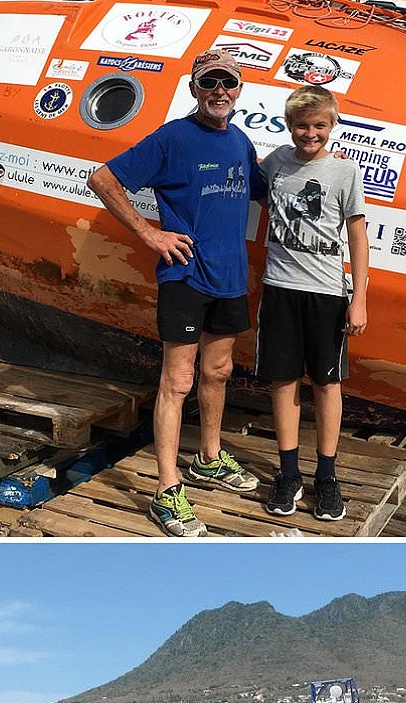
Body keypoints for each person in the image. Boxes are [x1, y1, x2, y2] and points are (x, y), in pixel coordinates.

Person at [88, 49, 266, 538]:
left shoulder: (240, 142)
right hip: (184, 276)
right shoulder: (172, 137)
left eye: (228, 83)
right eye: (210, 83)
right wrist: (149, 233)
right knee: (178, 381)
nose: (219, 92)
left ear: (239, 90)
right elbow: (102, 178)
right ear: (194, 88)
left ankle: (208, 458)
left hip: (229, 277)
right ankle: (168, 489)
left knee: (219, 370)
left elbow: (263, 190)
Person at [257, 85, 369, 523]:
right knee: (283, 382)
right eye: (302, 125)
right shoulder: (276, 164)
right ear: (289, 127)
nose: (310, 133)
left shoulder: (345, 173)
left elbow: (358, 238)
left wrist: (359, 299)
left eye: (319, 125)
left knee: (326, 385)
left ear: (332, 125)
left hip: (326, 293)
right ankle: (288, 474)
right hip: (279, 288)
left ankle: (326, 476)